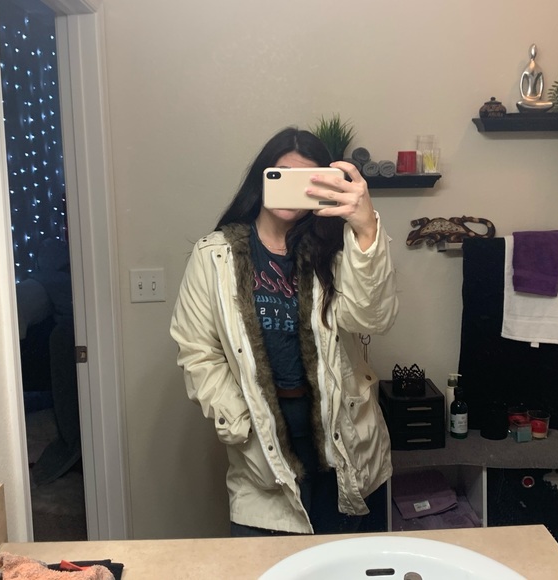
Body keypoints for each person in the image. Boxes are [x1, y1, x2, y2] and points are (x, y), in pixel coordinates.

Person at [170, 126, 398, 536]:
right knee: (267, 559)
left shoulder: (338, 251)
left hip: (345, 432)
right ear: (262, 178)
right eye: (282, 175)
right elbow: (198, 350)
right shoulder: (215, 256)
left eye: (307, 180)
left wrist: (366, 231)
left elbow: (372, 320)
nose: (294, 190)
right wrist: (238, 420)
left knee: (349, 559)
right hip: (261, 441)